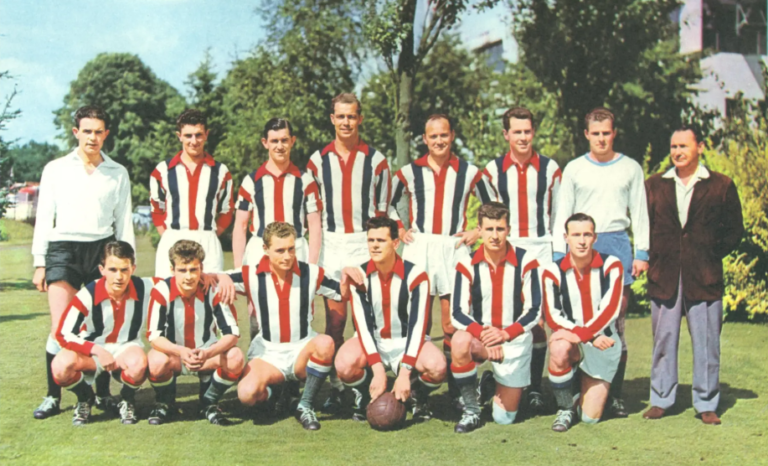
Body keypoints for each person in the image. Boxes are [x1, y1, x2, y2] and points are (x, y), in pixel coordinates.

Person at [31, 105, 135, 420]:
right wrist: (40, 262)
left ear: (106, 134)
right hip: (63, 249)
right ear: (76, 132)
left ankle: (102, 393)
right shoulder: (55, 169)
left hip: (103, 249)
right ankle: (55, 395)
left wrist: (126, 263)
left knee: (97, 329)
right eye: (86, 131)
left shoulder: (117, 172)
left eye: (98, 131)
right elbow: (44, 217)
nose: (92, 137)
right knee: (60, 328)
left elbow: (124, 221)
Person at [552, 107, 649, 417]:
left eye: (606, 133)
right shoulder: (575, 169)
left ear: (614, 133)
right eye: (595, 133)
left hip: (616, 244)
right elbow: (563, 211)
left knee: (615, 325)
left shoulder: (630, 168)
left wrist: (642, 253)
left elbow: (640, 211)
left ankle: (615, 394)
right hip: (581, 246)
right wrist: (559, 254)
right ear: (586, 135)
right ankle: (576, 390)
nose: (601, 138)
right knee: (578, 319)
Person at [643, 128, 743, 425]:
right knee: (663, 340)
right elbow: (645, 227)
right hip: (665, 274)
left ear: (699, 147)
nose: (678, 152)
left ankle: (706, 402)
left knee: (707, 342)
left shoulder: (721, 185)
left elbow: (734, 230)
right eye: (673, 146)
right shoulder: (654, 185)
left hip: (704, 274)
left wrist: (709, 253)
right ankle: (661, 399)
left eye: (684, 146)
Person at [388, 114, 490, 409]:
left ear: (452, 135)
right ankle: (418, 388)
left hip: (452, 245)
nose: (439, 140)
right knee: (418, 320)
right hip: (419, 245)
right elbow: (387, 203)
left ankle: (457, 388)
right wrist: (400, 229)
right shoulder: (409, 171)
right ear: (424, 139)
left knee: (451, 322)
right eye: (433, 136)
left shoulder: (469, 172)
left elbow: (493, 205)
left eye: (443, 135)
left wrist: (477, 231)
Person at [306, 93, 392, 411]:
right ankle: (338, 387)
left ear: (360, 118)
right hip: (331, 243)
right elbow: (312, 211)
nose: (346, 122)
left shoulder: (377, 161)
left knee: (366, 320)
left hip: (363, 243)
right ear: (332, 119)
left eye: (351, 116)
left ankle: (366, 383)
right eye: (340, 116)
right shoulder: (317, 161)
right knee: (335, 322)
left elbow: (383, 210)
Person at [220, 222, 343, 430]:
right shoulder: (251, 274)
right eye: (280, 250)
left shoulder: (311, 273)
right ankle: (277, 393)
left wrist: (350, 275)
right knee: (247, 394)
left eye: (291, 249)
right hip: (269, 353)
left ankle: (305, 405)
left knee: (325, 343)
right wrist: (221, 276)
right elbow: (210, 279)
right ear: (265, 249)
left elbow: (342, 291)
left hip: (301, 349)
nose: (287, 256)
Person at [481, 107, 561, 414]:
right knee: (506, 315)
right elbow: (490, 215)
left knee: (536, 320)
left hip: (541, 246)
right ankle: (502, 379)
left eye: (527, 131)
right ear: (506, 134)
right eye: (517, 131)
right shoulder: (492, 170)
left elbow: (559, 213)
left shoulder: (551, 169)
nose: (523, 137)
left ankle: (534, 388)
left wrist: (557, 252)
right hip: (508, 246)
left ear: (534, 132)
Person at [335, 217, 446, 423]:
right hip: (373, 340)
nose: (375, 245)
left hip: (406, 340)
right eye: (371, 240)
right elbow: (363, 326)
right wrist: (377, 369)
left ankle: (417, 395)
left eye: (381, 240)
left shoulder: (417, 276)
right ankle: (365, 394)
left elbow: (418, 326)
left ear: (395, 243)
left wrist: (404, 372)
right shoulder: (359, 276)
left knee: (437, 367)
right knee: (344, 364)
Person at [449, 202, 541, 433]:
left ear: (508, 229)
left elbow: (534, 310)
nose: (495, 236)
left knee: (504, 418)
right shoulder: (466, 263)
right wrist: (484, 335)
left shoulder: (527, 260)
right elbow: (457, 312)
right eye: (489, 229)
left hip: (513, 340)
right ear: (479, 230)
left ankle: (489, 383)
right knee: (459, 340)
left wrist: (504, 334)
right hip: (482, 339)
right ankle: (472, 410)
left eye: (500, 229)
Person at [52, 241, 156, 425]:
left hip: (126, 346)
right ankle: (85, 398)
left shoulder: (144, 286)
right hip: (93, 350)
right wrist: (98, 351)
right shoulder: (88, 294)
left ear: (133, 268)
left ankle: (127, 399)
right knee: (60, 367)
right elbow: (62, 333)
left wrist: (209, 277)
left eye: (124, 270)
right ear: (102, 270)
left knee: (139, 364)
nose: (119, 277)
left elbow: (178, 281)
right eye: (113, 270)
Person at [145, 240, 243, 425]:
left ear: (201, 269)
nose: (189, 276)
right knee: (156, 361)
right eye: (182, 270)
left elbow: (231, 334)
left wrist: (208, 353)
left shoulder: (213, 289)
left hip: (206, 354)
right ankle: (165, 402)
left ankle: (208, 402)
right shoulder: (161, 291)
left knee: (235, 357)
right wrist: (181, 351)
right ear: (172, 270)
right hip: (175, 355)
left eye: (193, 270)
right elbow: (154, 337)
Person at [542, 213, 624, 432]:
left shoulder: (611, 265)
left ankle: (578, 384)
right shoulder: (552, 271)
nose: (581, 241)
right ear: (566, 238)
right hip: (578, 341)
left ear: (595, 237)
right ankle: (565, 407)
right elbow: (553, 316)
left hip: (603, 343)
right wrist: (588, 336)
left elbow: (610, 310)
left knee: (589, 418)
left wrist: (589, 336)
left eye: (587, 235)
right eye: (576, 235)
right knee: (559, 347)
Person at [149, 109, 234, 278]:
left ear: (206, 134)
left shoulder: (220, 171)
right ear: (179, 136)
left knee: (210, 292)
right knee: (168, 291)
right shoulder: (163, 170)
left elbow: (227, 211)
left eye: (198, 135)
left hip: (207, 240)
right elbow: (156, 209)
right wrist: (169, 236)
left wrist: (209, 235)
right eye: (188, 136)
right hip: (173, 238)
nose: (194, 141)